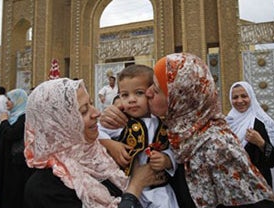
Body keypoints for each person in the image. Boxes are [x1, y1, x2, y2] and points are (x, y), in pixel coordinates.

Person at [100, 53, 274, 208]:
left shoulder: (217, 147)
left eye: (156, 89)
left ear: (180, 97)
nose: (148, 94)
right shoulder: (179, 132)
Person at [23, 78, 167, 208]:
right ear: (59, 125)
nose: (96, 113)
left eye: (91, 104)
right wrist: (135, 186)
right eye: (84, 111)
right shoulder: (45, 188)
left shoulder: (100, 156)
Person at [98, 64, 179, 208]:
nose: (132, 100)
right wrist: (111, 144)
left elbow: (175, 148)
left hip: (159, 189)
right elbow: (96, 132)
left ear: (151, 92)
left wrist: (167, 160)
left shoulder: (163, 122)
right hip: (129, 187)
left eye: (139, 93)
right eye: (125, 95)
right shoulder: (121, 121)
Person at [226, 81, 274, 208]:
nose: (240, 101)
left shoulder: (262, 123)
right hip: (234, 187)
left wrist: (261, 143)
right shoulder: (228, 122)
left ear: (251, 97)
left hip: (258, 189)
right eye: (235, 97)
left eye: (244, 96)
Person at [0, 88, 35, 208]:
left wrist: (4, 122)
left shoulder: (23, 118)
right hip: (7, 163)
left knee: (13, 194)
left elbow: (10, 134)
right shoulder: (14, 116)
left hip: (16, 166)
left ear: (19, 101)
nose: (7, 102)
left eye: (10, 100)